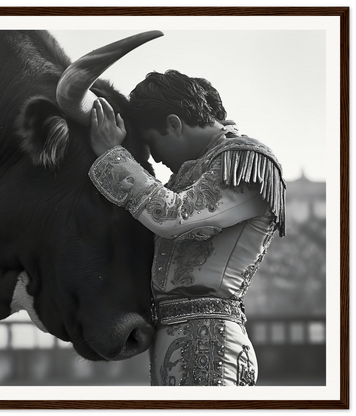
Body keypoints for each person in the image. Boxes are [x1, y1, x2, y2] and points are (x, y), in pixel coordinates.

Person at [88, 70, 286, 386]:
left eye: (152, 142)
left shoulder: (245, 159)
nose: (154, 157)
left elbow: (173, 216)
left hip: (211, 343)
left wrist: (114, 156)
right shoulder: (190, 173)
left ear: (174, 123)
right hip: (181, 341)